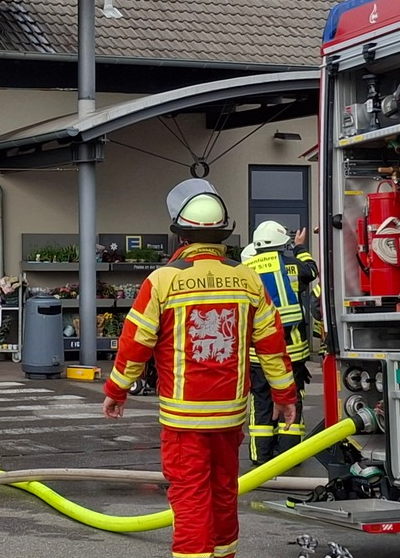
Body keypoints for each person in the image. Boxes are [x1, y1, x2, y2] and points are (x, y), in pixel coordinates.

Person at [103, 179, 298, 558]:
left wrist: (116, 391)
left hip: (183, 418)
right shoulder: (247, 279)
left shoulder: (163, 280)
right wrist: (284, 395)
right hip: (229, 416)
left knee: (190, 495)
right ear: (223, 233)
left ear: (180, 232)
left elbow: (134, 344)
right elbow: (273, 345)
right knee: (224, 491)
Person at [243, 220, 319, 464]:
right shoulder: (293, 265)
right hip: (293, 352)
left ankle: (260, 456)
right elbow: (312, 271)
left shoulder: (246, 269)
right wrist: (299, 247)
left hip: (258, 353)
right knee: (292, 399)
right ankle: (288, 456)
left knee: (261, 401)